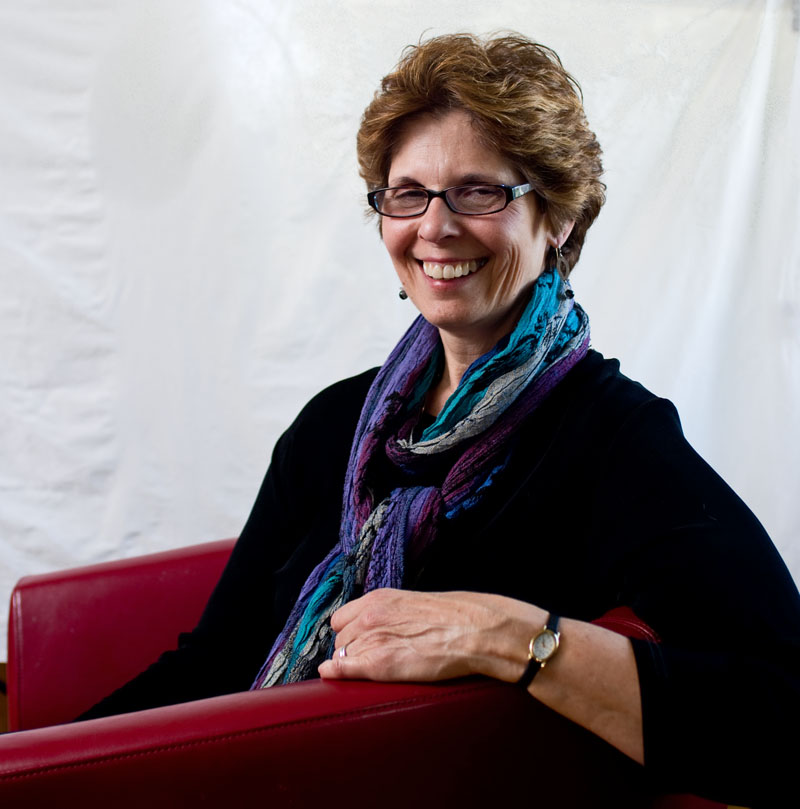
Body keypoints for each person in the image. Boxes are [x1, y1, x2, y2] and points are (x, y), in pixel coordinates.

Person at [80, 33, 800, 805]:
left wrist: (504, 636)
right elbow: (216, 659)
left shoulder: (615, 442)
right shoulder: (332, 426)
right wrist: (37, 765)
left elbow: (786, 716)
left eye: (478, 192)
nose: (434, 225)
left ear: (556, 217)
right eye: (407, 193)